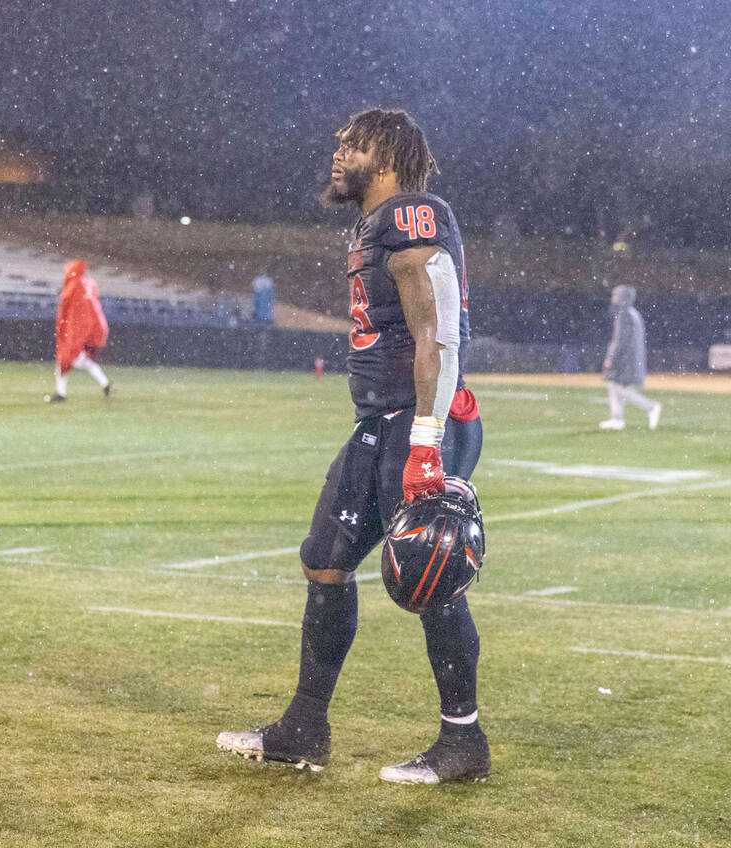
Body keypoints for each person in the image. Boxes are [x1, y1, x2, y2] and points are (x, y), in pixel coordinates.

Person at [217, 109, 489, 784]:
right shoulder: (370, 224)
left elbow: (438, 335)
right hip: (380, 420)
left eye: (354, 145)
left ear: (390, 155)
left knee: (431, 572)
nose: (339, 154)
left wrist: (427, 441)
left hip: (421, 420)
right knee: (325, 559)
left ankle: (463, 744)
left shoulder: (411, 216)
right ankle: (304, 729)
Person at [44, 259, 112, 402]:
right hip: (93, 327)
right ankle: (105, 384)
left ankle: (61, 394)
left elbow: (66, 305)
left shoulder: (74, 285)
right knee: (81, 361)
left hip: (77, 329)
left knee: (66, 361)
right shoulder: (89, 283)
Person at [599, 284, 661, 430]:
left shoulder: (624, 314)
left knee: (619, 388)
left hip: (626, 360)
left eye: (616, 295)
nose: (613, 298)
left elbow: (620, 340)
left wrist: (611, 357)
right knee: (615, 386)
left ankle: (650, 407)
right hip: (631, 359)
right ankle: (617, 419)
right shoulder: (633, 313)